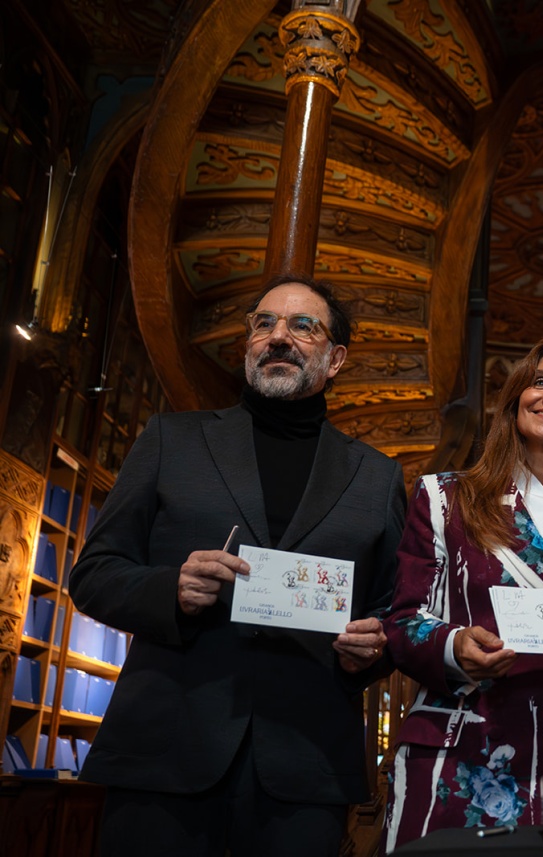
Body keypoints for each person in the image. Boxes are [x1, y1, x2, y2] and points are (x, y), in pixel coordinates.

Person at [69, 275, 406, 857]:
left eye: (303, 326)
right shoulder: (171, 440)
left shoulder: (377, 477)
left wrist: (373, 649)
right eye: (263, 323)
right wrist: (168, 588)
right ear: (248, 344)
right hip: (166, 751)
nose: (278, 337)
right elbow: (94, 573)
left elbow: (394, 613)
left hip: (306, 765)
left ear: (336, 359)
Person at [382, 336, 543, 847]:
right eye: (540, 382)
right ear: (516, 399)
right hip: (464, 745)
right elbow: (404, 619)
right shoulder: (444, 498)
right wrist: (454, 648)